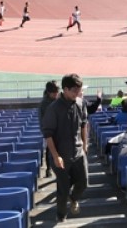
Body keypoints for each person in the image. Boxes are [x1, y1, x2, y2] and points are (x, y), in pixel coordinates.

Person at [41, 73, 88, 222]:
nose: (77, 93)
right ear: (65, 89)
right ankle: (61, 215)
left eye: (79, 90)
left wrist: (85, 144)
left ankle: (73, 199)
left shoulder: (80, 103)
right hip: (61, 155)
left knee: (83, 182)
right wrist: (56, 156)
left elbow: (83, 124)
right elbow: (48, 134)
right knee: (63, 188)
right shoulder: (53, 108)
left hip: (78, 152)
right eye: (74, 90)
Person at [39, 80, 60, 178]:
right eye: (54, 92)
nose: (56, 94)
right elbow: (42, 120)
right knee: (49, 150)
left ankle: (58, 170)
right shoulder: (44, 104)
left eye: (57, 92)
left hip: (59, 131)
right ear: (48, 92)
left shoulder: (58, 100)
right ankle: (49, 169)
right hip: (49, 132)